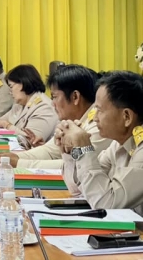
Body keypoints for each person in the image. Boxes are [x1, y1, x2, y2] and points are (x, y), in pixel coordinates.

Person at [0, 65, 112, 194]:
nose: (52, 103)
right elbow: (49, 150)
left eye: (54, 96)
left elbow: (78, 167)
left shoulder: (98, 126)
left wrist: (19, 163)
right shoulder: (72, 121)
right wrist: (13, 157)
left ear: (75, 97)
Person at [55, 71, 143, 214]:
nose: (95, 118)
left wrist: (84, 148)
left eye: (100, 110)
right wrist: (70, 151)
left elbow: (107, 204)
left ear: (127, 116)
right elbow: (80, 190)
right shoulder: (118, 144)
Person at [0, 64, 58, 146]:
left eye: (11, 86)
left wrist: (7, 125)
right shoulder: (20, 104)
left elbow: (31, 141)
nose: (10, 92)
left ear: (22, 84)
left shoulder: (44, 107)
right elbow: (1, 120)